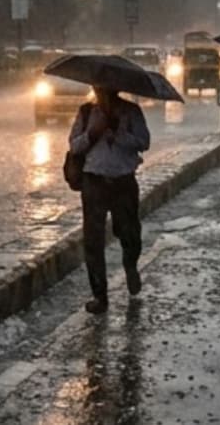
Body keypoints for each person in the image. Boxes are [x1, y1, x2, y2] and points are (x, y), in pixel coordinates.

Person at [68, 86, 151, 314]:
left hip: (123, 182)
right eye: (99, 88)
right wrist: (93, 133)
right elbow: (74, 146)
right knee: (93, 242)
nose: (102, 92)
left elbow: (144, 141)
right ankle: (100, 296)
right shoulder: (86, 112)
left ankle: (130, 265)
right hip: (94, 183)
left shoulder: (131, 111)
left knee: (129, 232)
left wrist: (118, 132)